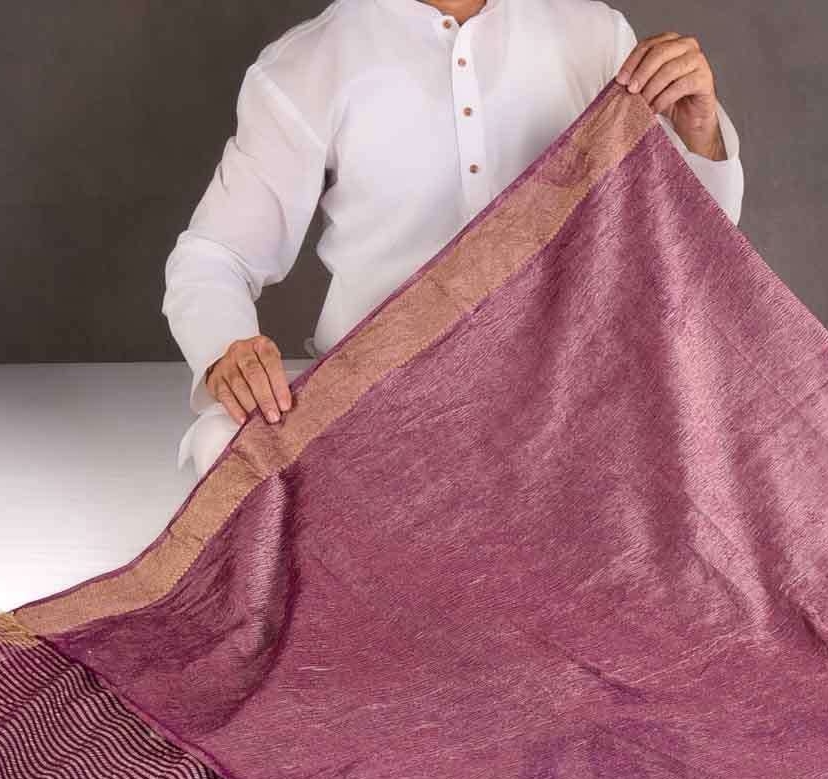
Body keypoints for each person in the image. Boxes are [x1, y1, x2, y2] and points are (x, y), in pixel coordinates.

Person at [163, 0, 744, 480]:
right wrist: (226, 350)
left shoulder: (594, 36)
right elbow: (215, 255)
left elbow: (688, 249)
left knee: (722, 444)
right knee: (234, 451)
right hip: (377, 414)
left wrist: (702, 134)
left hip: (571, 405)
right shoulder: (310, 63)